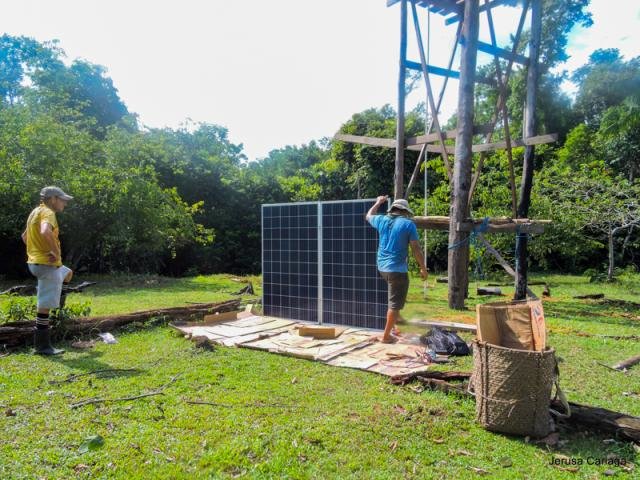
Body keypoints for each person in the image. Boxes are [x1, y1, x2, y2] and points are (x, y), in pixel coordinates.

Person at [366, 195, 428, 343]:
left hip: (382, 267)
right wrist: (423, 268)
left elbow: (368, 215)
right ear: (405, 211)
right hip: (396, 269)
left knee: (394, 297)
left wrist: (378, 202)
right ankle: (386, 336)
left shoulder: (381, 220)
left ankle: (395, 322)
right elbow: (416, 249)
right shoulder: (408, 224)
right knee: (395, 303)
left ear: (393, 209)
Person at [21, 186, 74, 355]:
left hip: (37, 263)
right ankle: (43, 347)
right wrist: (54, 252)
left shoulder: (35, 212)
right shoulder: (48, 213)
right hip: (46, 265)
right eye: (62, 200)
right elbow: (45, 231)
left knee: (67, 273)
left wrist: (37, 251)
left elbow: (24, 237)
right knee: (44, 306)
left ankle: (59, 301)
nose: (64, 203)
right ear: (52, 199)